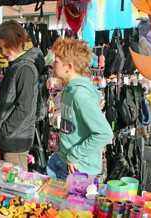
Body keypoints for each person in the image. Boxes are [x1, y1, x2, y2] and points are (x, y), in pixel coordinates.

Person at [46, 37, 113, 180]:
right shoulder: (69, 90)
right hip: (64, 162)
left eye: (56, 62)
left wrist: (75, 155)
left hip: (78, 170)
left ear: (68, 67)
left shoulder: (80, 95)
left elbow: (105, 133)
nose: (52, 65)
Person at [0, 20, 45, 171]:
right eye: (0, 48)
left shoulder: (25, 67)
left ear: (20, 40)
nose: (3, 52)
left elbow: (24, 107)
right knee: (11, 185)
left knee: (16, 187)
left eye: (7, 47)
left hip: (15, 140)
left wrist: (4, 131)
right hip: (12, 139)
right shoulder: (17, 65)